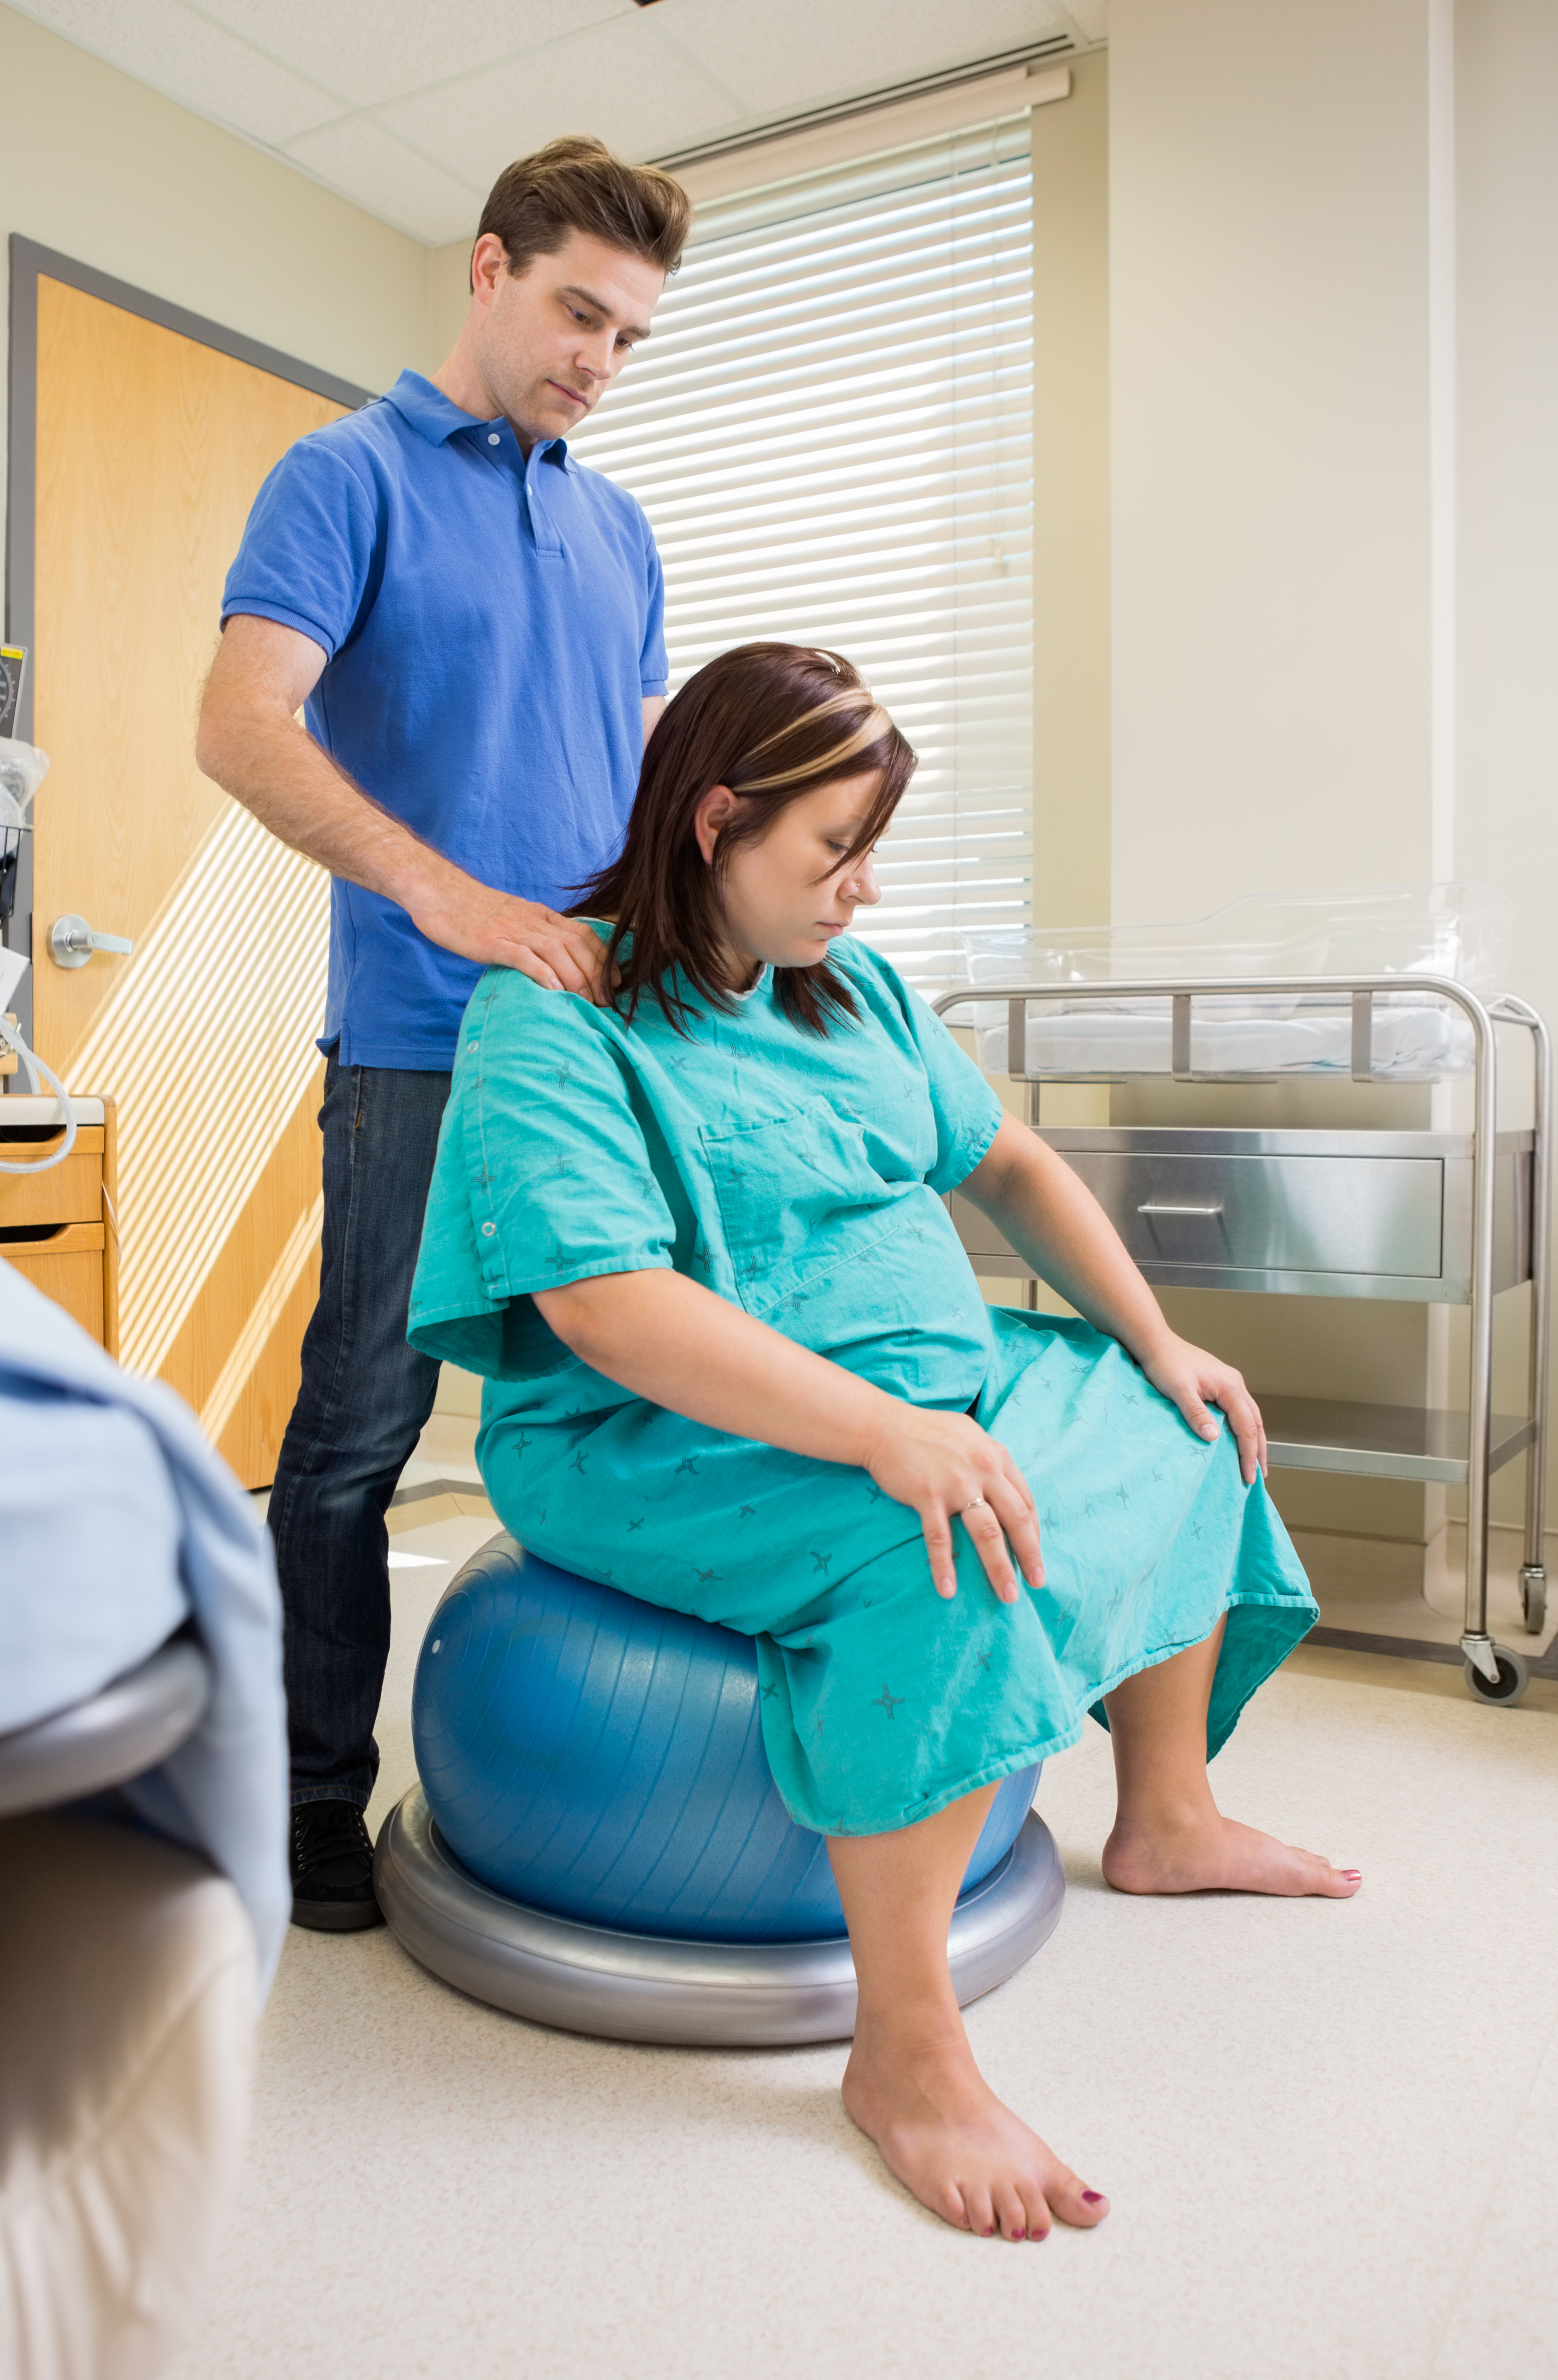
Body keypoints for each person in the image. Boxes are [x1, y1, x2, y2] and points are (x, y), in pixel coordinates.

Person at [406, 641, 1360, 2238]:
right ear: (715, 822)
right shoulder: (556, 1014)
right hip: (655, 1435)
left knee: (1185, 1426)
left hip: (926, 1382)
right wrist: (885, 1438)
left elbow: (1018, 1171)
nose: (861, 891)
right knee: (948, 1543)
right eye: (833, 851)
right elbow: (608, 1311)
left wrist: (1157, 1336)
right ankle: (906, 2056)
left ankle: (1167, 1813)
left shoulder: (853, 994)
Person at [196, 138, 691, 1931]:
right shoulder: (345, 477)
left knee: (634, 1379)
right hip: (420, 1033)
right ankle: (314, 1791)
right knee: (359, 1426)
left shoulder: (618, 521)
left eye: (631, 337)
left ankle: (631, 1762)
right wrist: (448, 896)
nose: (598, 361)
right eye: (579, 313)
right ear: (489, 271)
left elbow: (643, 772)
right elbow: (243, 728)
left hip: (603, 1029)